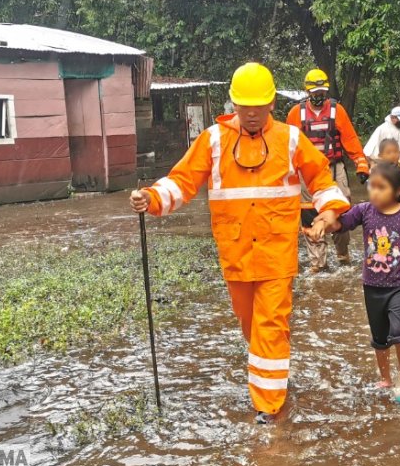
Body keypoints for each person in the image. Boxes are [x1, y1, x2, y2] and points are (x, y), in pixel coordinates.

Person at [130, 62, 350, 425]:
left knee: (271, 325)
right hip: (236, 253)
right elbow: (182, 182)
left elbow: (322, 180)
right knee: (250, 325)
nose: (251, 114)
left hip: (277, 253)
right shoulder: (213, 140)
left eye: (258, 107)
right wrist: (151, 198)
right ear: (233, 103)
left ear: (270, 105)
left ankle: (269, 409)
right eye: (244, 106)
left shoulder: (291, 139)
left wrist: (330, 212)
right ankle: (272, 378)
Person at [314, 162, 400, 403]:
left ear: (397, 191)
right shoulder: (364, 210)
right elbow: (342, 223)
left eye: (380, 187)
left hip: (399, 285)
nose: (373, 192)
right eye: (371, 186)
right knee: (379, 336)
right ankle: (385, 378)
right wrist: (323, 224)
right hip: (372, 285)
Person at [287, 68, 369, 272]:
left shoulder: (336, 110)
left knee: (341, 208)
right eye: (314, 94)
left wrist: (360, 162)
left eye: (321, 93)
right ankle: (318, 262)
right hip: (306, 173)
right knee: (308, 212)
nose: (318, 97)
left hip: (334, 168)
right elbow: (287, 146)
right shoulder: (296, 113)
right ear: (307, 92)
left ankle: (343, 256)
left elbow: (350, 139)